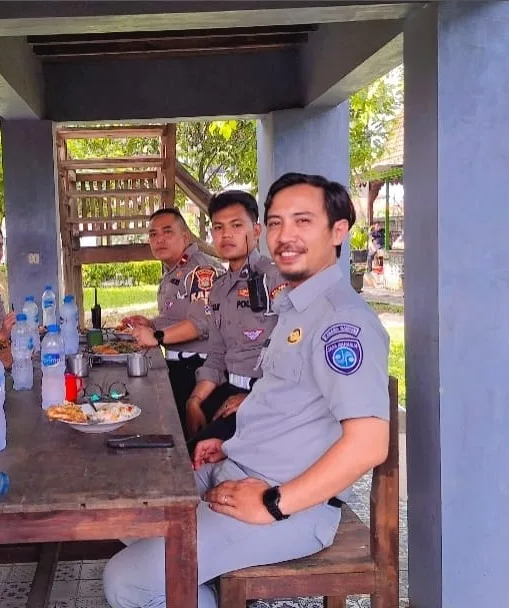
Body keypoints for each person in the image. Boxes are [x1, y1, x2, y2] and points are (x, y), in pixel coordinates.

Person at [102, 173, 391, 608]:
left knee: (126, 580)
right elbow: (280, 398)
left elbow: (369, 445)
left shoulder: (342, 323)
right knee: (127, 511)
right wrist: (223, 439)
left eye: (303, 221)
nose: (285, 236)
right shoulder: (295, 308)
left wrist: (274, 503)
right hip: (236, 465)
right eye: (276, 222)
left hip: (288, 503)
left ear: (338, 231)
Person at [184, 190, 288, 448]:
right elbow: (217, 354)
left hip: (267, 402)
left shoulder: (273, 278)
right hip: (228, 392)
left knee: (193, 458)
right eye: (218, 227)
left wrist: (256, 399)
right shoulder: (218, 288)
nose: (226, 234)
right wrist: (195, 401)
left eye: (236, 225)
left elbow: (294, 351)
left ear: (256, 230)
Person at [123, 208, 221, 432]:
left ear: (185, 237)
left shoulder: (200, 270)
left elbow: (200, 324)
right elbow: (178, 315)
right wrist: (151, 324)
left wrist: (156, 336)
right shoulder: (175, 270)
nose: (159, 239)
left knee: (190, 442)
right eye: (153, 234)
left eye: (167, 232)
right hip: (179, 366)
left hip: (199, 371)